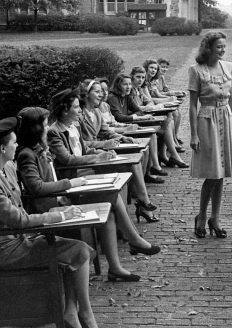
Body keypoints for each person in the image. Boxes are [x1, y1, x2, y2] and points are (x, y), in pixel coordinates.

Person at [0, 118, 99, 328]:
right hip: (8, 252)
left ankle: (72, 312)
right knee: (78, 250)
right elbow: (19, 219)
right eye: (13, 143)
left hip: (22, 241)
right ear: (2, 148)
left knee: (78, 250)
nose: (16, 146)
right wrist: (60, 216)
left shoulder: (8, 169)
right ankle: (83, 315)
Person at [15, 107, 160, 282]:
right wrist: (70, 183)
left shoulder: (39, 149)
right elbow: (36, 188)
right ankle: (134, 240)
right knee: (112, 198)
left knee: (109, 211)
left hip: (62, 196)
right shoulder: (26, 155)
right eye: (44, 126)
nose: (47, 129)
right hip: (51, 206)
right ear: (35, 130)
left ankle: (115, 267)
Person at [47, 88, 159, 224]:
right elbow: (67, 160)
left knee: (124, 170)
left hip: (85, 168)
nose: (80, 110)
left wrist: (101, 153)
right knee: (122, 172)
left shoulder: (73, 126)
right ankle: (130, 222)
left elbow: (85, 149)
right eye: (76, 107)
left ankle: (128, 222)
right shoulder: (55, 131)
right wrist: (99, 157)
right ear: (65, 110)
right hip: (75, 175)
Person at [189, 31, 232, 239]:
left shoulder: (229, 67)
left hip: (225, 118)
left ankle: (215, 218)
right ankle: (201, 217)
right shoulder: (196, 70)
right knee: (212, 173)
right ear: (208, 48)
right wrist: (194, 134)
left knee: (222, 174)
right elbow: (192, 105)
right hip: (207, 119)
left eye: (224, 46)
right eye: (218, 46)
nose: (222, 50)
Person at [79, 78, 163, 185]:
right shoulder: (80, 115)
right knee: (134, 158)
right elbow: (83, 143)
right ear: (86, 94)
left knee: (141, 151)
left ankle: (139, 192)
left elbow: (106, 131)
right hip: (92, 153)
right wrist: (104, 144)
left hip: (101, 148)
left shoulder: (96, 111)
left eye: (102, 91)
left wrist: (122, 138)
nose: (101, 95)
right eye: (97, 92)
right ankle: (139, 194)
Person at [128, 67, 188, 168]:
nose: (140, 80)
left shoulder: (139, 89)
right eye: (138, 77)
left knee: (169, 118)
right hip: (137, 120)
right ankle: (170, 154)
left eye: (142, 77)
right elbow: (136, 108)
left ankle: (168, 154)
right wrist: (148, 106)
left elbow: (149, 100)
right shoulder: (131, 90)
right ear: (132, 77)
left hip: (144, 115)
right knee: (168, 119)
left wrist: (149, 105)